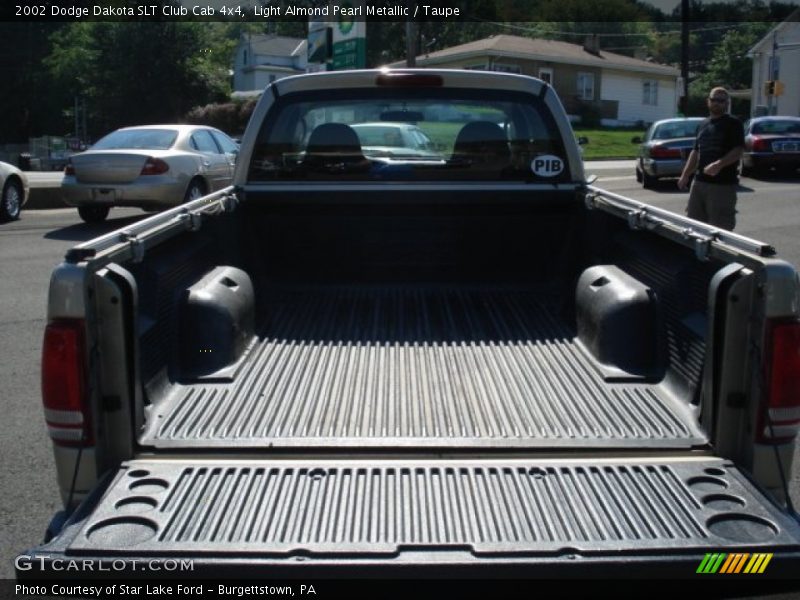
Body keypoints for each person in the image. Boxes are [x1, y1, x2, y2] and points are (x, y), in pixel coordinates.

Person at [677, 87, 744, 231]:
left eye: (721, 100)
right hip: (699, 183)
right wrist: (685, 175)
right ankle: (696, 253)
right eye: (714, 99)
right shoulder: (703, 124)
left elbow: (738, 150)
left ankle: (717, 254)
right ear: (708, 101)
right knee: (694, 225)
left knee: (719, 229)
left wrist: (719, 164)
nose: (717, 103)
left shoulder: (733, 123)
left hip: (722, 186)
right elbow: (695, 152)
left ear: (727, 103)